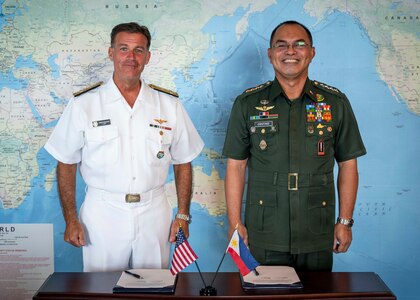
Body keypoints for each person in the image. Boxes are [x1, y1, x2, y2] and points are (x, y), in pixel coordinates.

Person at [44, 22, 204, 272]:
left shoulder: (168, 105)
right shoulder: (84, 104)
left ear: (148, 57)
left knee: (155, 287)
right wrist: (71, 218)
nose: (131, 57)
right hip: (102, 213)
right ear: (111, 53)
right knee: (101, 289)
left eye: (139, 50)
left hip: (154, 211)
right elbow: (66, 162)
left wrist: (183, 215)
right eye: (123, 49)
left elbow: (183, 161)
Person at [223, 20, 366, 271]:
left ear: (311, 52)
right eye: (282, 45)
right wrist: (235, 223)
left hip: (317, 228)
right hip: (265, 228)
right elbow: (236, 166)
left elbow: (348, 164)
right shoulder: (247, 103)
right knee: (264, 296)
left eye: (299, 45)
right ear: (270, 54)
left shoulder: (335, 103)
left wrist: (344, 221)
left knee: (317, 296)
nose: (290, 51)